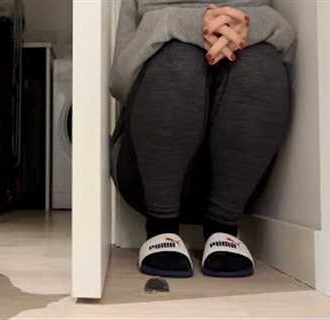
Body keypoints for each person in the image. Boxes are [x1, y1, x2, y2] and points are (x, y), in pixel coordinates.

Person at [110, 0, 296, 278]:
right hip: (147, 176)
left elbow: (288, 46)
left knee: (259, 63)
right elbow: (119, 80)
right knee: (179, 58)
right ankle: (161, 227)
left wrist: (245, 27)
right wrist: (183, 25)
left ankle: (224, 227)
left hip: (238, 186)